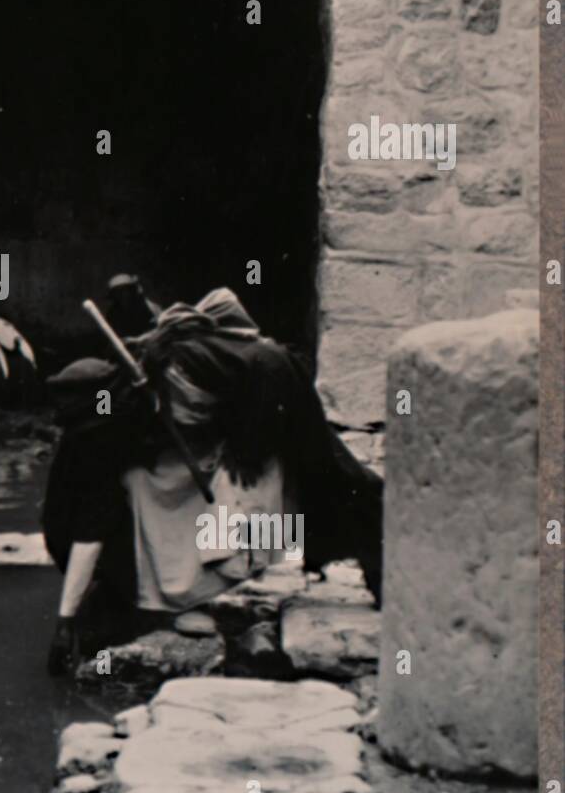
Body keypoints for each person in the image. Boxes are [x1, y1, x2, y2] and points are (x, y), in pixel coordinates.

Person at [44, 286, 383, 674]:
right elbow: (92, 519)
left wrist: (247, 445)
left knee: (331, 480)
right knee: (143, 482)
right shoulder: (118, 414)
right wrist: (67, 617)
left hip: (274, 392)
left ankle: (378, 565)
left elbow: (263, 370)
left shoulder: (163, 375)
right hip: (229, 413)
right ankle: (185, 594)